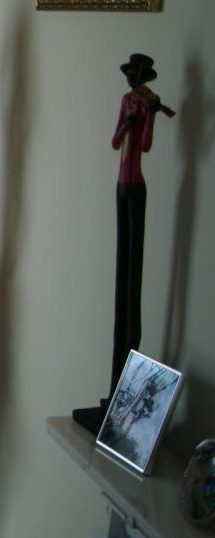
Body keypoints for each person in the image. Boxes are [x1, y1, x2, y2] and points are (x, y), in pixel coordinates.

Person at [109, 53, 173, 397]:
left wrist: (149, 116)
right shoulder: (127, 101)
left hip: (136, 187)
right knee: (121, 275)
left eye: (136, 74)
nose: (132, 79)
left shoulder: (149, 102)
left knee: (133, 279)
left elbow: (145, 146)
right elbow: (115, 141)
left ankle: (124, 384)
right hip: (121, 186)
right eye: (129, 73)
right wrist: (128, 121)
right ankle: (114, 387)